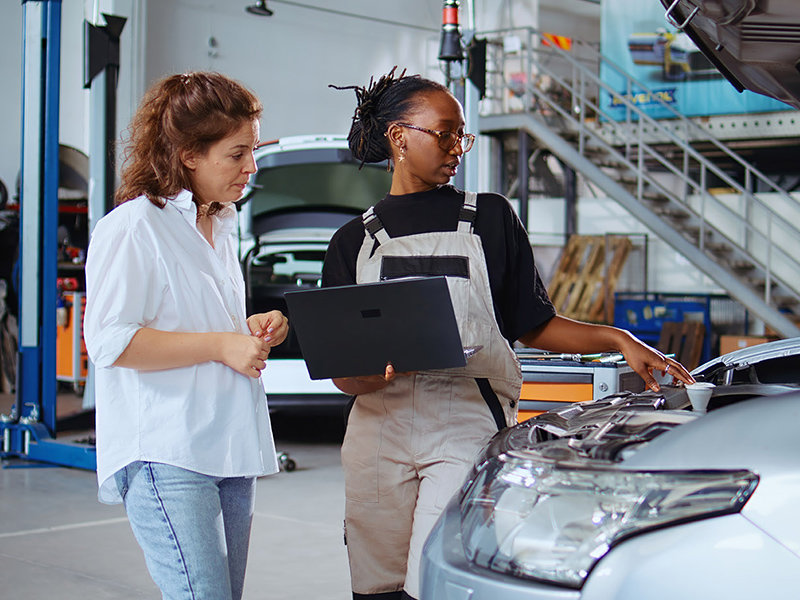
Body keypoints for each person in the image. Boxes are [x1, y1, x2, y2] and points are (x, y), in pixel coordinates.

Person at [324, 68, 695, 600]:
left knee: (436, 576)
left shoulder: (489, 218)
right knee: (375, 583)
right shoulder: (353, 242)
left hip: (465, 419)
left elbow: (534, 324)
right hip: (377, 428)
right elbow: (345, 376)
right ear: (399, 136)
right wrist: (369, 374)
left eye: (461, 135)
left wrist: (618, 339)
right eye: (445, 133)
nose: (457, 147)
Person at [83, 71, 288, 600]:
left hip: (228, 447)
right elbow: (110, 342)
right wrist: (223, 345)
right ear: (189, 154)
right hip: (168, 453)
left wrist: (246, 330)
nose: (252, 166)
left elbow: (183, 322)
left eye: (255, 150)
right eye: (237, 152)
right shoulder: (135, 227)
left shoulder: (219, 224)